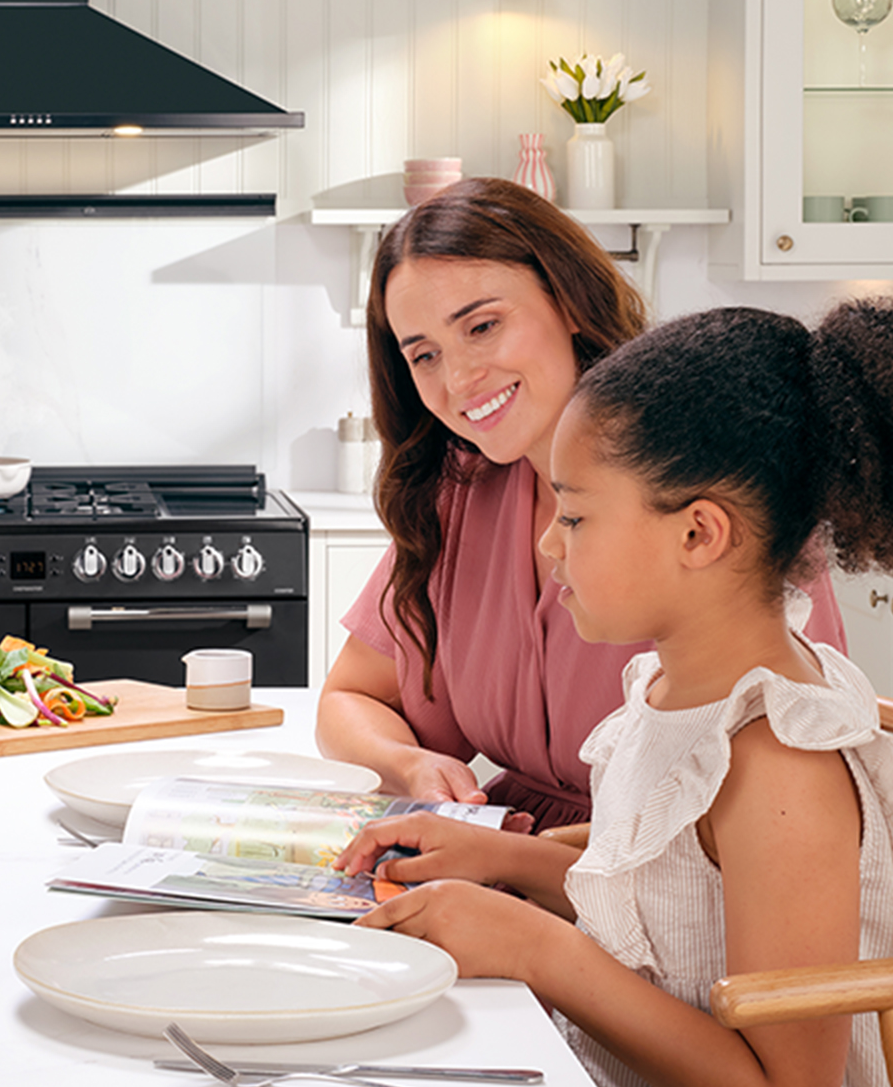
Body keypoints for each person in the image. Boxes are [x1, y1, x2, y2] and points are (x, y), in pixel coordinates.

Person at [336, 301, 893, 1087]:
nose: (546, 542)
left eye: (576, 515)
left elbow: (789, 1084)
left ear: (699, 534)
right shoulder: (671, 692)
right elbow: (664, 899)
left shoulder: (780, 770)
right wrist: (502, 856)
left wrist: (534, 946)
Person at [316, 180, 847, 832]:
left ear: (567, 300)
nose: (457, 381)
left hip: (669, 893)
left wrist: (504, 861)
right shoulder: (460, 491)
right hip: (509, 866)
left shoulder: (704, 485)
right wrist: (409, 766)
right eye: (424, 355)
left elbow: (764, 801)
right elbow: (351, 697)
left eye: (483, 326)